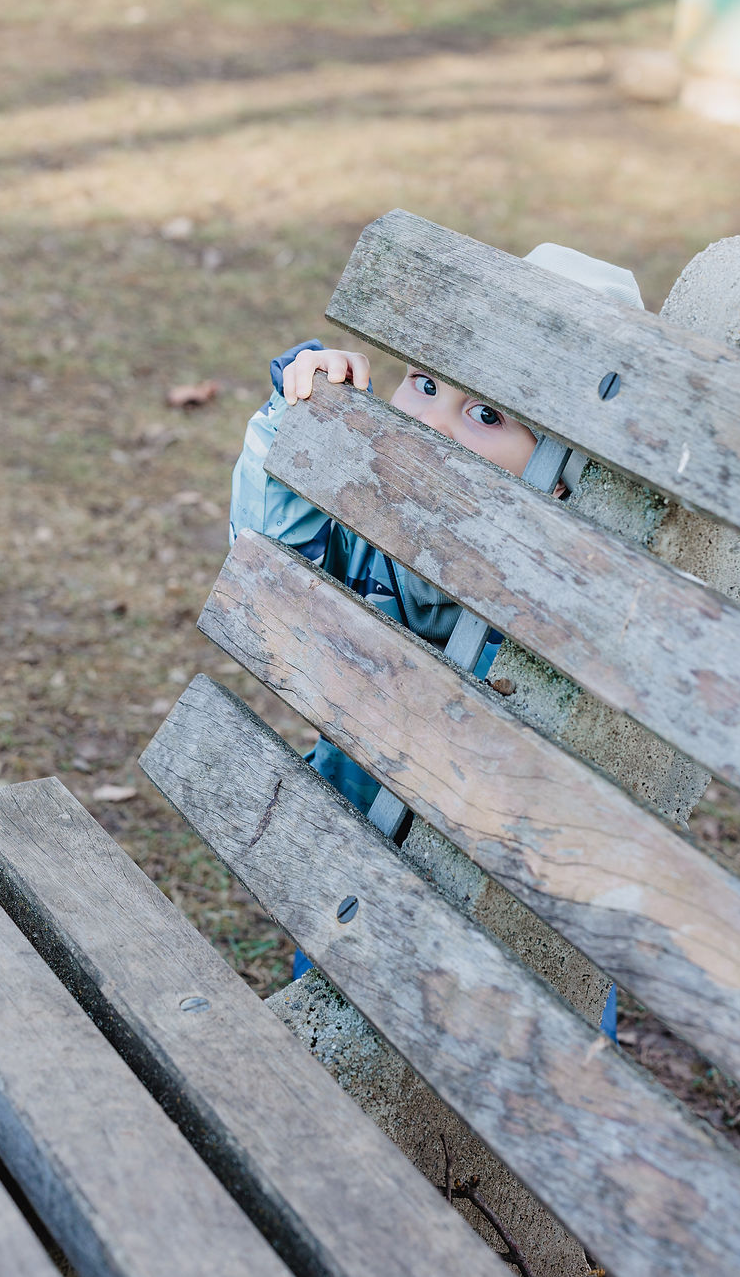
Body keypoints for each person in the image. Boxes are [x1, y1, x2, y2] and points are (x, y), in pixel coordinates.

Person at [229, 242, 642, 1037]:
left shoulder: (573, 602)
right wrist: (299, 428)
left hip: (510, 924)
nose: (428, 422)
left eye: (486, 416)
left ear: (565, 479)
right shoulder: (370, 524)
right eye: (425, 384)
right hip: (354, 870)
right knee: (343, 1034)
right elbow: (270, 566)